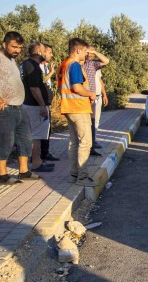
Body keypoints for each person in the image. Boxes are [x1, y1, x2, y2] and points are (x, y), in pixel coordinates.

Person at [0, 32, 40, 184]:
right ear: (4, 44)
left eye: (19, 47)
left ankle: (24, 172)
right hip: (3, 110)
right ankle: (2, 176)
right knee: (6, 142)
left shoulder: (11, 59)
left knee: (25, 140)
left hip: (18, 108)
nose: (17, 50)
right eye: (13, 47)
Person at [58, 38, 98, 187]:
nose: (87, 55)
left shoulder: (64, 64)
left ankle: (74, 175)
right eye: (86, 52)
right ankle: (82, 177)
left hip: (68, 107)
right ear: (78, 50)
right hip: (78, 108)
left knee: (74, 142)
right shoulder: (74, 65)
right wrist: (90, 94)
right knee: (85, 142)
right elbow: (77, 87)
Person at [20, 42, 54, 172]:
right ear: (39, 52)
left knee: (34, 135)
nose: (47, 53)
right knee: (36, 136)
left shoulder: (26, 64)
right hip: (34, 106)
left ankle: (38, 161)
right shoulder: (32, 65)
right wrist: (42, 106)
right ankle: (36, 163)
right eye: (45, 51)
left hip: (29, 105)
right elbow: (34, 88)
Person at [82, 46, 109, 156]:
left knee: (93, 123)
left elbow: (106, 61)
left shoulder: (93, 64)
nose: (90, 55)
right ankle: (83, 148)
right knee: (83, 125)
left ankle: (91, 148)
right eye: (88, 52)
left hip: (93, 98)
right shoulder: (79, 64)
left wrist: (95, 52)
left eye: (91, 53)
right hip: (82, 98)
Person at [40, 43, 59, 162]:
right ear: (42, 52)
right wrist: (51, 73)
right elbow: (40, 80)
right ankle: (39, 155)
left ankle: (44, 153)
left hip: (46, 103)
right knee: (40, 131)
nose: (51, 55)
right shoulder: (36, 66)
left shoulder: (45, 66)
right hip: (39, 104)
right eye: (50, 52)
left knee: (47, 129)